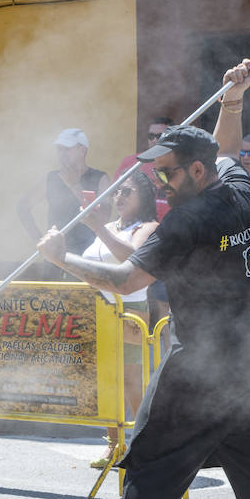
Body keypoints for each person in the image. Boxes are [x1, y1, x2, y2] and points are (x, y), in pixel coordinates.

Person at [36, 58, 250, 499]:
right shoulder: (242, 187)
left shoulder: (185, 222)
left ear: (195, 173)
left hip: (201, 364)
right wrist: (233, 99)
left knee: (152, 457)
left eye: (168, 173)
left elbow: (127, 280)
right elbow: (223, 148)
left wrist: (63, 258)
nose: (159, 182)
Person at [77, 172, 160, 468]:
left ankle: (141, 447)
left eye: (127, 191)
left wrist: (98, 228)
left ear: (144, 197)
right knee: (107, 381)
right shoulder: (110, 226)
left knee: (130, 380)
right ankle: (114, 444)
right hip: (99, 310)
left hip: (130, 311)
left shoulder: (148, 227)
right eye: (116, 192)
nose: (119, 197)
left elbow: (133, 260)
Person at [17, 128, 109, 276]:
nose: (61, 154)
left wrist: (74, 186)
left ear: (82, 150)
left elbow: (103, 218)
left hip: (88, 257)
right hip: (54, 257)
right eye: (59, 149)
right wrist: (38, 240)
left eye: (66, 149)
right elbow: (22, 207)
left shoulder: (100, 178)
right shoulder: (51, 179)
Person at [115, 116, 171, 185]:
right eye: (151, 136)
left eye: (160, 136)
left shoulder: (179, 162)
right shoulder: (131, 161)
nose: (154, 140)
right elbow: (114, 191)